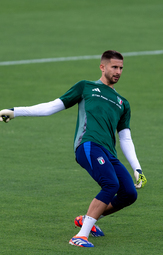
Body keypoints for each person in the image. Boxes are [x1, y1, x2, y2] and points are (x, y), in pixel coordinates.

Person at [0, 50, 147, 248]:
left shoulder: (123, 103)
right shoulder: (86, 87)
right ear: (102, 67)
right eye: (114, 67)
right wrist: (16, 112)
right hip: (88, 145)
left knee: (129, 193)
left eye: (121, 68)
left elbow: (125, 137)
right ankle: (80, 236)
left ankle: (89, 220)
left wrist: (137, 168)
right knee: (111, 184)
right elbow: (51, 107)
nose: (118, 71)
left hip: (108, 152)